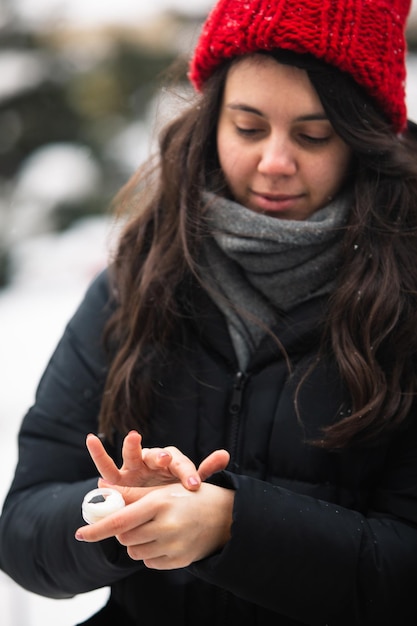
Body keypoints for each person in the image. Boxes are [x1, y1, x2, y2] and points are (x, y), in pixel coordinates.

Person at [1, 0, 417, 623]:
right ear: (210, 123)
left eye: (313, 135)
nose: (274, 163)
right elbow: (24, 528)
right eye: (248, 128)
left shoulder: (405, 306)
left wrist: (232, 524)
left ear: (364, 139)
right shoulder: (135, 283)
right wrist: (119, 515)